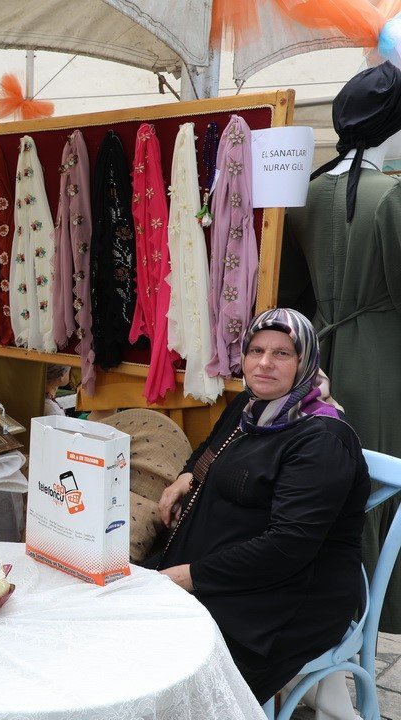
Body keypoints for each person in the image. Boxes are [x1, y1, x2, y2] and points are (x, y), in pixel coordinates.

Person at [154, 308, 370, 703]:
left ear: (305, 361)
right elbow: (211, 449)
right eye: (255, 350)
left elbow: (288, 547)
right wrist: (189, 474)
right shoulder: (251, 406)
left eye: (282, 353)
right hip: (230, 573)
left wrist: (189, 576)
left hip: (287, 601)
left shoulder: (321, 439)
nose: (264, 363)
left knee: (174, 686)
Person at [279, 60, 401, 633]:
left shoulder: (303, 195)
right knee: (379, 487)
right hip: (381, 362)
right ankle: (372, 615)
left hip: (318, 359)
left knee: (333, 490)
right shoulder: (391, 197)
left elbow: (289, 294)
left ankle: (332, 621)